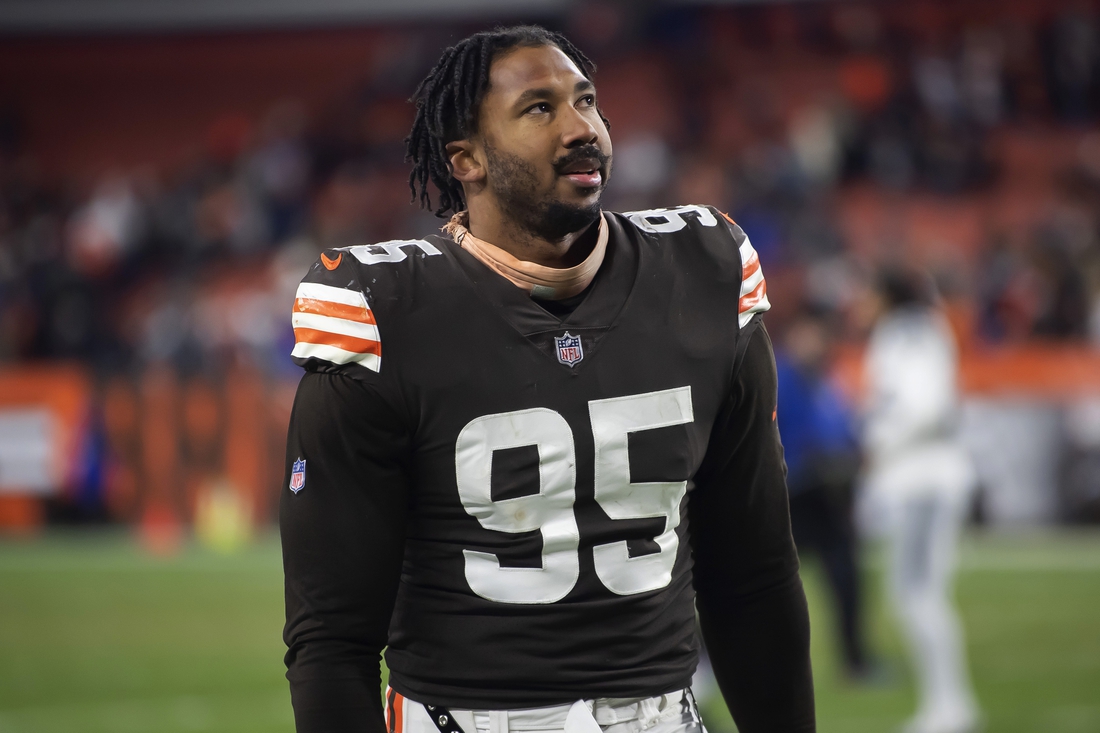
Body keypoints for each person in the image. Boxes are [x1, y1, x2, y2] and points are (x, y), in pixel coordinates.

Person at [280, 25, 814, 733]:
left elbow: (754, 578)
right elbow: (332, 640)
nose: (582, 127)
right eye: (539, 108)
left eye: (587, 101)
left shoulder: (703, 270)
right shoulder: (386, 311)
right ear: (465, 158)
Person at [859, 269, 980, 733]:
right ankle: (951, 704)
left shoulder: (905, 332)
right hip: (928, 475)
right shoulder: (923, 328)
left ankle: (950, 708)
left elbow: (925, 405)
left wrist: (880, 443)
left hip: (923, 478)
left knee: (917, 594)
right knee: (921, 594)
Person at [775, 309, 869, 680]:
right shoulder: (779, 374)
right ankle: (771, 662)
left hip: (828, 494)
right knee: (774, 587)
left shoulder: (827, 377)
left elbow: (843, 429)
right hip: (792, 494)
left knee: (847, 579)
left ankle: (854, 658)